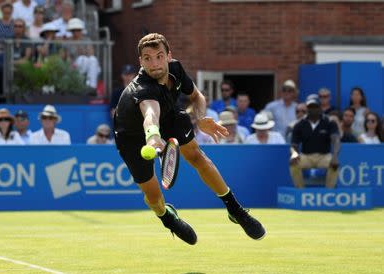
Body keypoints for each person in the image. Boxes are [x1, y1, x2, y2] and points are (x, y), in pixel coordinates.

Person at [113, 33, 266, 244]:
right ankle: (166, 217)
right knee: (154, 196)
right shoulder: (144, 88)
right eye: (147, 58)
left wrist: (201, 117)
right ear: (140, 62)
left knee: (196, 155)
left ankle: (235, 209)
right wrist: (153, 136)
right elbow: (150, 115)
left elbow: (197, 96)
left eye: (159, 56)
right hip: (131, 137)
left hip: (169, 116)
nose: (154, 63)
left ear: (168, 55)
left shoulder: (175, 69)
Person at [289, 95, 340, 188]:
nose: (312, 109)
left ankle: (329, 192)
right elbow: (294, 144)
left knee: (334, 164)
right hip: (306, 156)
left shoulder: (329, 121)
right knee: (293, 163)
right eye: (310, 107)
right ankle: (301, 191)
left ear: (320, 107)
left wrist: (335, 156)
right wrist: (294, 154)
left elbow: (336, 140)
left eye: (315, 107)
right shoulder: (300, 124)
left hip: (324, 156)